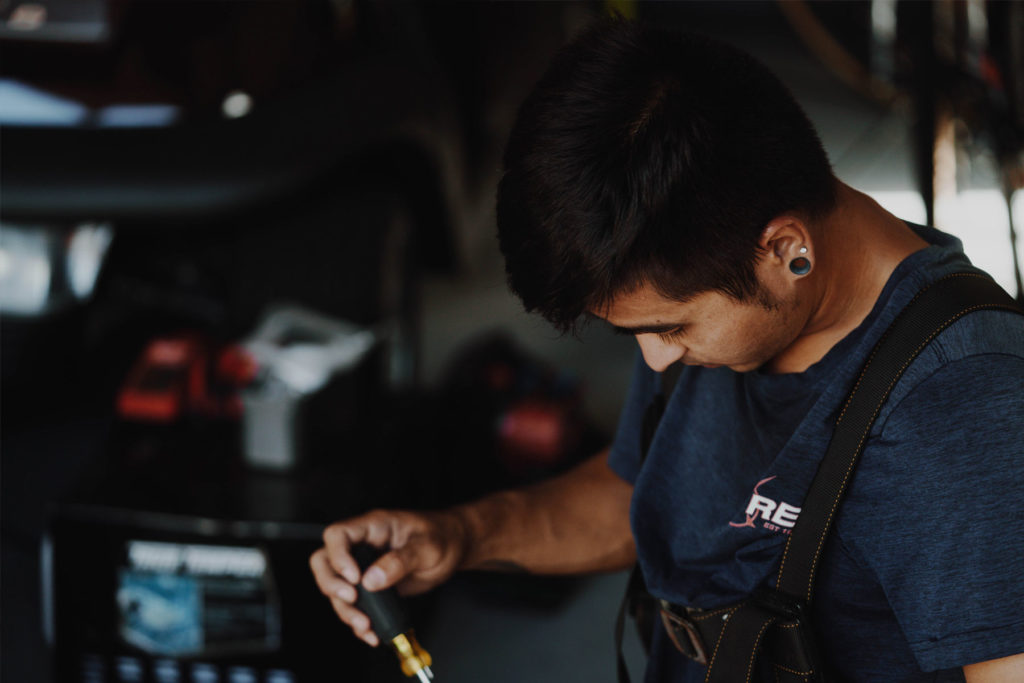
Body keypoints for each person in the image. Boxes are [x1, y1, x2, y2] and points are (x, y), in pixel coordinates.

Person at [310, 19, 1024, 682]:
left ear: (785, 250)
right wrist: (461, 534)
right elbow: (654, 490)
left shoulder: (962, 411)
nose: (655, 360)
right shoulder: (704, 289)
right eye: (635, 333)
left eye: (671, 328)